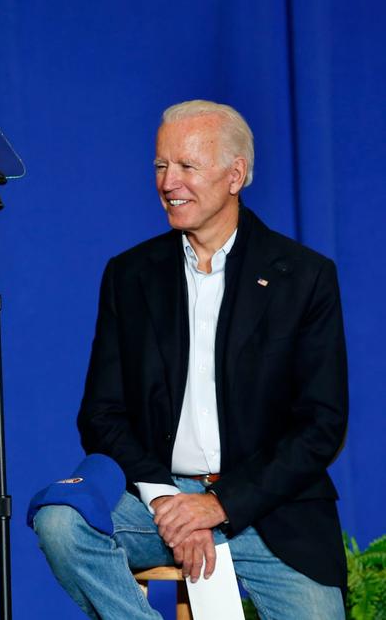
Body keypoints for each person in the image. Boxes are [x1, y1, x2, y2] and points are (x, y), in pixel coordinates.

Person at [32, 100, 347, 619]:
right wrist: (166, 501)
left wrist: (219, 505)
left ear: (235, 175)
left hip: (268, 507)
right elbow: (101, 414)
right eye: (160, 165)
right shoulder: (130, 275)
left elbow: (321, 426)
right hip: (157, 503)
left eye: (186, 166)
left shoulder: (305, 277)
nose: (168, 181)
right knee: (61, 524)